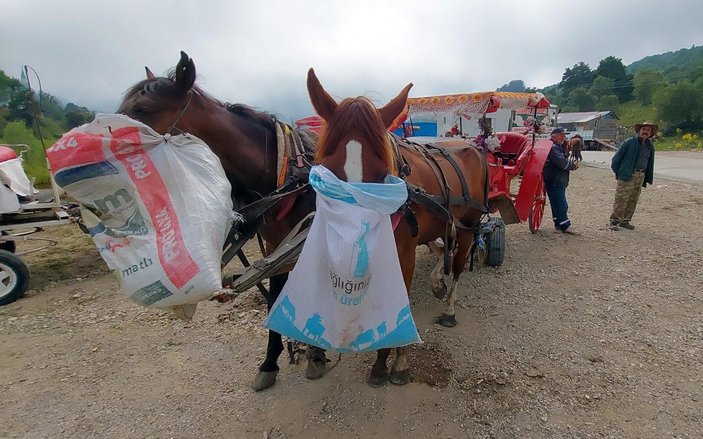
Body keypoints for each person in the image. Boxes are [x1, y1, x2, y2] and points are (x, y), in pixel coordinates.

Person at [609, 122, 657, 231]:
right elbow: (615, 161)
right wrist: (620, 174)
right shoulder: (629, 142)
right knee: (621, 198)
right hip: (628, 175)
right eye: (644, 129)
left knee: (633, 199)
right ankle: (614, 221)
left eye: (648, 130)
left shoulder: (650, 145)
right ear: (639, 131)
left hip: (641, 175)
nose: (645, 131)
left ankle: (625, 221)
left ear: (651, 133)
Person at [543, 127, 580, 234]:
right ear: (555, 136)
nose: (564, 137)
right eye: (562, 135)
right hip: (556, 179)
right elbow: (562, 163)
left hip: (553, 179)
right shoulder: (554, 148)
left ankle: (558, 223)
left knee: (556, 203)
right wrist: (573, 166)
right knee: (561, 204)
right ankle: (565, 226)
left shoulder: (554, 147)